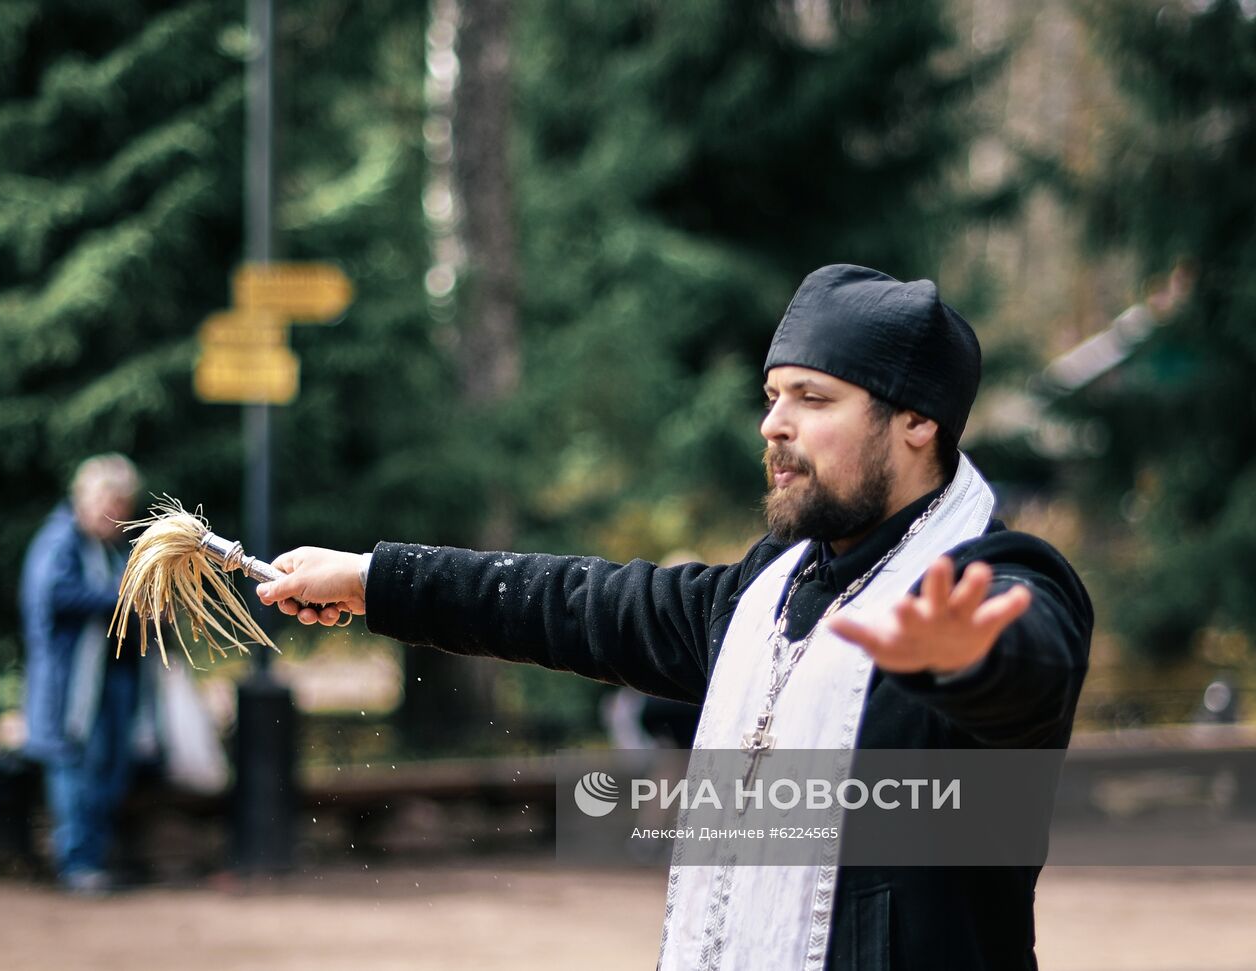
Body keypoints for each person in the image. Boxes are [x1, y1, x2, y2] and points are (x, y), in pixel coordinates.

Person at [256, 265, 1092, 970]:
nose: (774, 424)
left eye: (813, 397)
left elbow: (1033, 667)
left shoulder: (999, 576)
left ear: (918, 420)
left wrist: (968, 658)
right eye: (772, 395)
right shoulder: (774, 584)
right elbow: (581, 603)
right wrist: (376, 580)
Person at [20, 453, 158, 895]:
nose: (116, 513)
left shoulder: (111, 546)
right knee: (78, 769)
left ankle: (93, 859)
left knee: (110, 768)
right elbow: (54, 596)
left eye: (123, 503)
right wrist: (119, 597)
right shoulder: (60, 540)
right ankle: (77, 862)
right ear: (85, 497)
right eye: (109, 501)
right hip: (73, 686)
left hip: (115, 679)